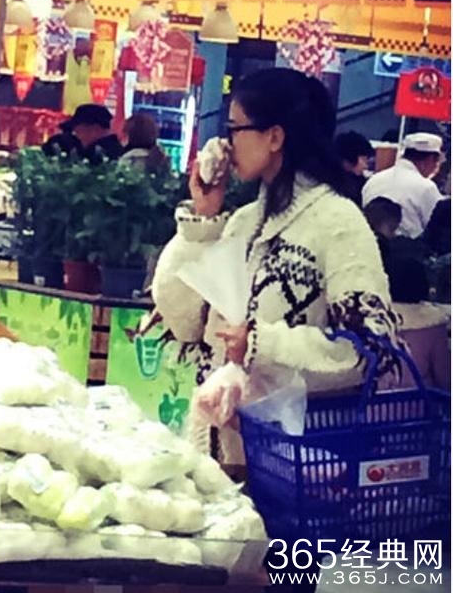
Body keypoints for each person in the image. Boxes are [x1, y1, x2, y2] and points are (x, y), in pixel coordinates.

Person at [152, 68, 401, 465]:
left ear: (274, 137)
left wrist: (261, 344)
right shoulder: (243, 221)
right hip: (214, 453)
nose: (225, 144)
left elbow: (371, 349)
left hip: (287, 467)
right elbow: (184, 321)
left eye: (235, 129)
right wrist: (202, 220)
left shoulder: (338, 223)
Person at [364, 197, 450, 391]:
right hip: (420, 406)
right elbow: (445, 380)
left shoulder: (369, 319)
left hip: (371, 405)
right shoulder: (433, 323)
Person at [362, 132, 444, 239]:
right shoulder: (426, 187)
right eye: (437, 162)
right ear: (429, 159)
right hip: (409, 246)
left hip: (370, 242)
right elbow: (439, 225)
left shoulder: (373, 180)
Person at [334, 130, 373, 207]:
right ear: (349, 158)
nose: (366, 166)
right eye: (364, 160)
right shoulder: (337, 186)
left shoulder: (361, 181)